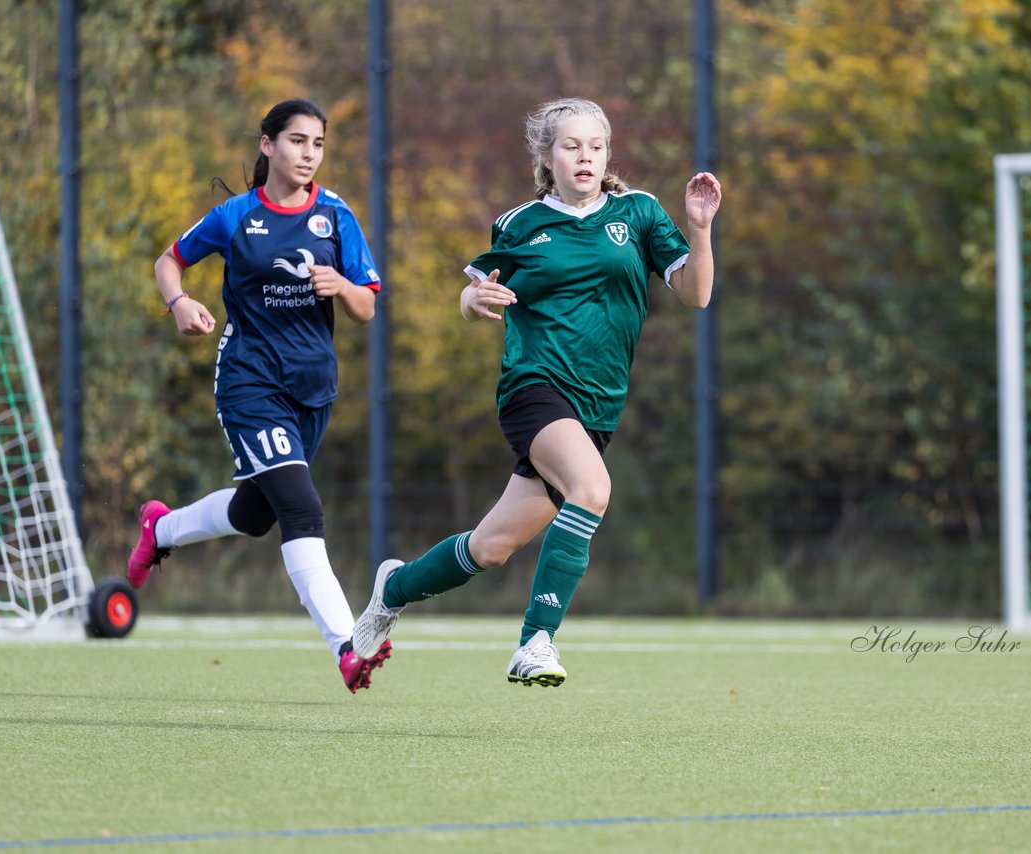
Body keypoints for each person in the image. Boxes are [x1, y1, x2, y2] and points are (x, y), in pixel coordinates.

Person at [351, 96, 722, 686]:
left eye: (596, 147)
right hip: (534, 387)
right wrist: (479, 301)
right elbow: (472, 297)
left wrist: (699, 230)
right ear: (547, 157)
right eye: (571, 146)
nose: (586, 157)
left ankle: (391, 589)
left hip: (598, 406)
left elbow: (696, 295)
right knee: (592, 487)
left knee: (491, 547)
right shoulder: (521, 223)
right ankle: (535, 643)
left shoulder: (642, 214)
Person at [127, 98, 391, 693]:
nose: (308, 154)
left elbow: (368, 307)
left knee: (255, 513)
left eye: (318, 144)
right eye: (297, 141)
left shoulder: (336, 216)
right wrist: (179, 302)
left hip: (313, 388)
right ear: (267, 144)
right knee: (302, 509)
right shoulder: (235, 216)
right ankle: (349, 646)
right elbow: (169, 261)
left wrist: (344, 286)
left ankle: (160, 531)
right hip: (249, 380)